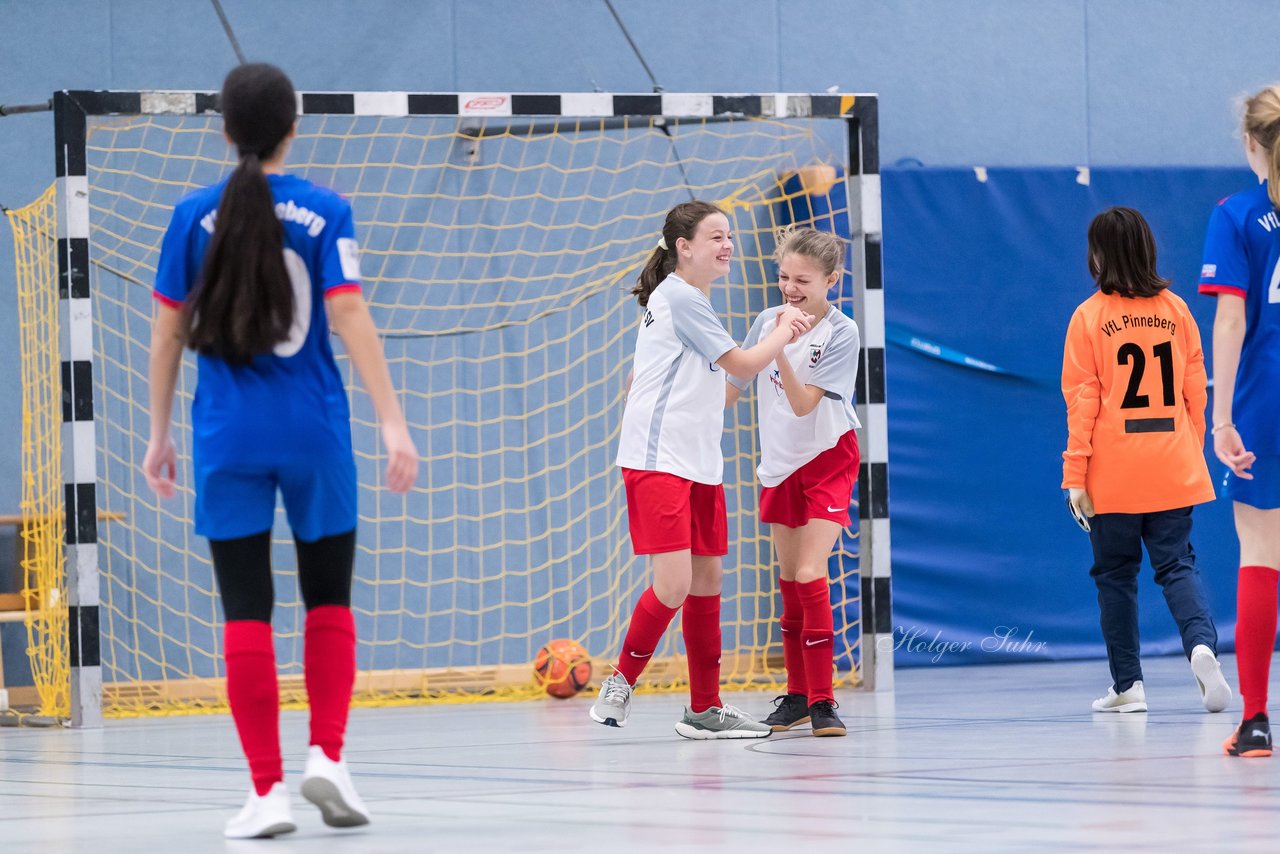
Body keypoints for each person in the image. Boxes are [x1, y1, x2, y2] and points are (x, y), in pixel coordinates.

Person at [143, 63, 419, 837]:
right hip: (315, 431)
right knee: (327, 599)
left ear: (224, 130)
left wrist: (160, 433)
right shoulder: (327, 210)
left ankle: (265, 792)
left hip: (225, 436)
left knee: (246, 612)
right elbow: (351, 316)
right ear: (294, 127)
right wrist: (393, 423)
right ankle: (326, 757)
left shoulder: (191, 215)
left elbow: (167, 334)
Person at [590, 200, 813, 739]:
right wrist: (785, 330)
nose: (727, 245)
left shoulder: (693, 304)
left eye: (729, 236)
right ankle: (620, 681)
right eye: (715, 237)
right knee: (673, 583)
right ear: (683, 248)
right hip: (658, 460)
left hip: (699, 462)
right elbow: (740, 364)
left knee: (707, 582)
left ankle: (703, 709)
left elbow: (712, 384)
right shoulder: (681, 299)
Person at [1062, 206, 1230, 717]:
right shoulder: (1177, 310)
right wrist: (1189, 450)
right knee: (1177, 565)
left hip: (1112, 470)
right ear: (1147, 251)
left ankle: (1128, 684)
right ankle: (1202, 647)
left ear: (1097, 255)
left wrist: (1075, 476)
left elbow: (1083, 401)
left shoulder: (1089, 316)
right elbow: (1195, 393)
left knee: (1115, 574)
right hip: (1173, 462)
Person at [725, 227, 861, 738]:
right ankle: (799, 695)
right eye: (783, 277)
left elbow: (805, 404)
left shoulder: (841, 333)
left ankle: (825, 700)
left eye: (802, 280)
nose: (790, 289)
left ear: (831, 280)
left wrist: (779, 343)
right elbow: (732, 385)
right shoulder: (766, 319)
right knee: (788, 581)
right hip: (780, 462)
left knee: (809, 573)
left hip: (828, 456)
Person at [1200, 84, 1280, 758]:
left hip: (1266, 399)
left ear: (1249, 140)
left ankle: (1255, 721)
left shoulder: (1236, 214)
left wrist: (1219, 418)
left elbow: (1231, 317)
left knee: (1261, 553)